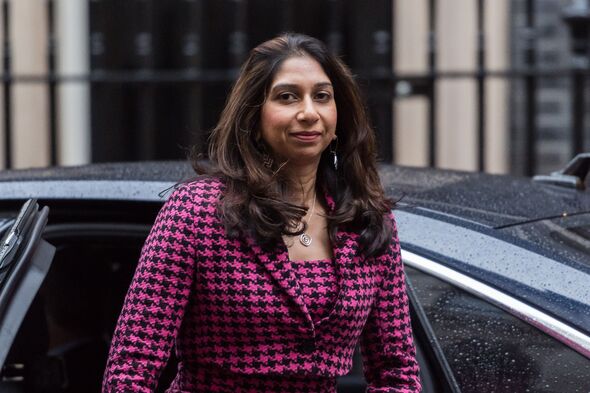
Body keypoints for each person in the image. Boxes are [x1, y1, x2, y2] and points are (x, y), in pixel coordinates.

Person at [102, 32, 421, 393]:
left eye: (322, 96)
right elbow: (131, 369)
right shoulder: (197, 212)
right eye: (287, 97)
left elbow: (397, 372)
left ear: (339, 116)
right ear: (253, 116)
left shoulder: (367, 219)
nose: (308, 112)